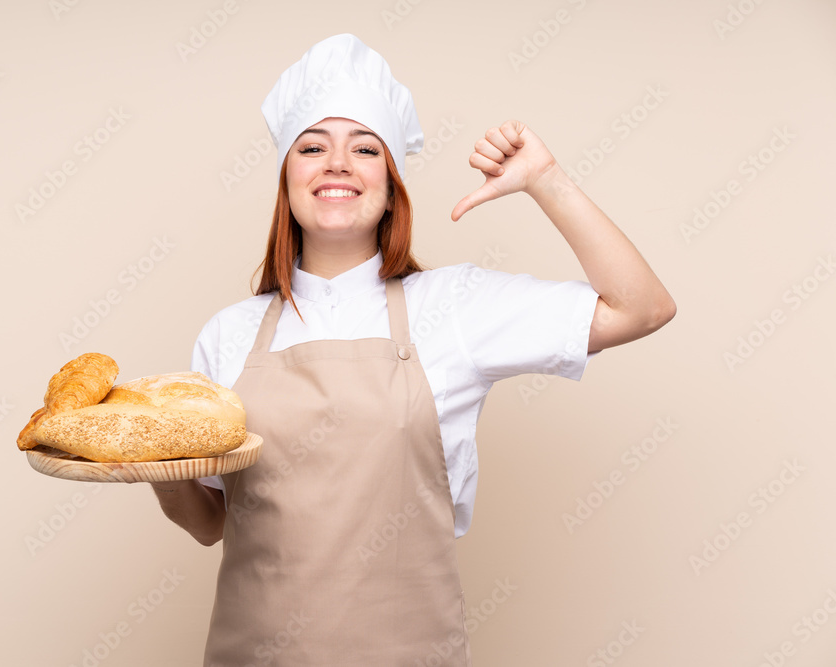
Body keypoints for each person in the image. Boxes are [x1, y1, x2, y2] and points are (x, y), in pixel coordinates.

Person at [150, 33, 675, 666]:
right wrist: (155, 466)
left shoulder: (454, 307)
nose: (337, 163)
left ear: (391, 181)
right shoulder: (228, 333)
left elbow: (642, 306)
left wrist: (545, 180)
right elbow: (210, 524)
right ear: (287, 177)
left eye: (364, 148)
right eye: (312, 146)